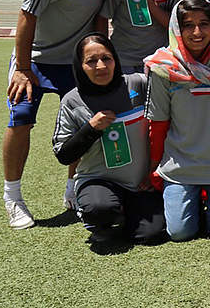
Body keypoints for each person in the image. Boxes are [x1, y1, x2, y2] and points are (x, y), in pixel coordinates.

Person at [3, 0, 127, 229]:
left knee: (84, 124)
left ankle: (74, 186)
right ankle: (12, 195)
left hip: (75, 62)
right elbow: (27, 15)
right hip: (37, 60)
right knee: (21, 120)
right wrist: (23, 68)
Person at [52, 33, 164, 244]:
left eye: (106, 58)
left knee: (151, 234)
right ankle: (100, 213)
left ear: (116, 60)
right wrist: (90, 129)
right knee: (100, 209)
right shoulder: (72, 100)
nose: (101, 66)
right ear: (80, 66)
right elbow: (63, 154)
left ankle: (126, 211)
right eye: (91, 61)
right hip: (99, 181)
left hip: (141, 183)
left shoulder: (137, 84)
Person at [144, 0, 210, 241]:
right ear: (177, 28)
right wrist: (153, 166)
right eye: (188, 25)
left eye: (203, 24)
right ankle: (191, 196)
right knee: (179, 232)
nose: (197, 32)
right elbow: (158, 122)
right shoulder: (162, 66)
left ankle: (206, 196)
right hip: (181, 165)